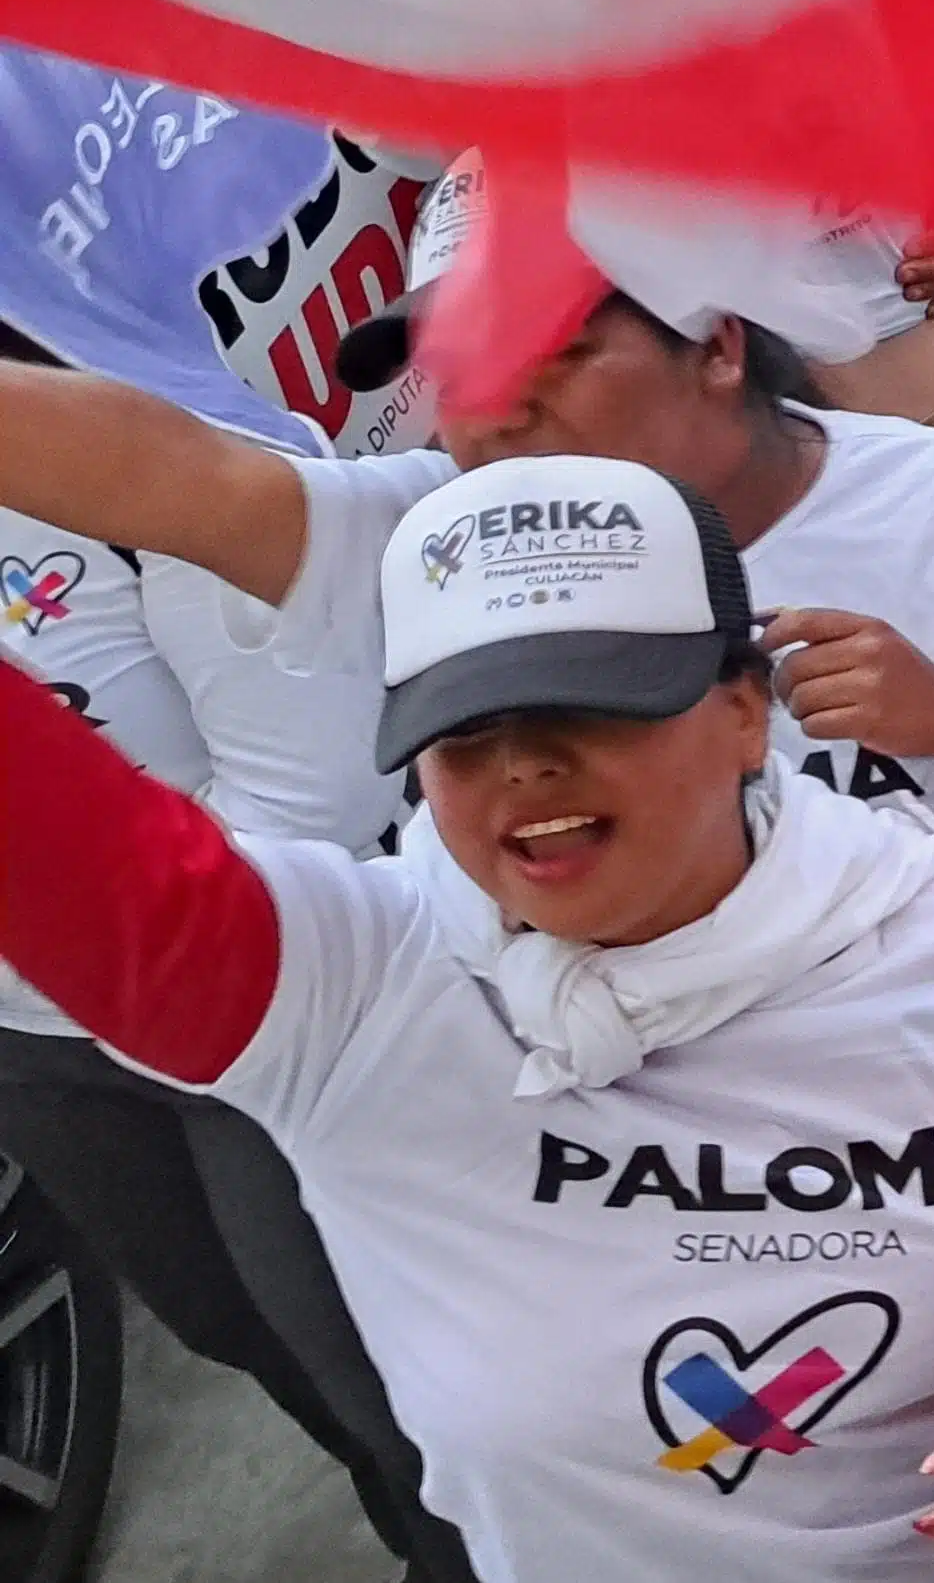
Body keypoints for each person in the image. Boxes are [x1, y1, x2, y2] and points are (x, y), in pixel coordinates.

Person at [0, 453, 934, 1578]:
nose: (526, 767)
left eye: (591, 704)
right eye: (464, 727)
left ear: (746, 713)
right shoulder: (347, 986)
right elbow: (76, 864)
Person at [6, 164, 934, 926]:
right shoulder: (436, 532)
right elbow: (179, 477)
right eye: (453, 370)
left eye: (546, 354)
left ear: (712, 344)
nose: (491, 412)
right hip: (667, 1173)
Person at [0, 331, 475, 1582]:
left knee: (379, 1367)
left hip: (251, 995)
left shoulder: (101, 447)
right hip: (33, 1043)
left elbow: (306, 788)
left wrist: (122, 948)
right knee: (231, 1326)